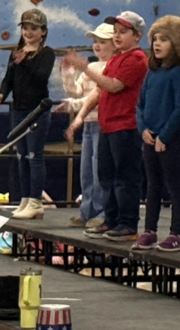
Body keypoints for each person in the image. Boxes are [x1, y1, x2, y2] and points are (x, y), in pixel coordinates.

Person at [65, 11, 149, 242]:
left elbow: (113, 86)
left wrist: (86, 69)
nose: (118, 36)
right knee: (106, 176)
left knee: (125, 177)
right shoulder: (116, 59)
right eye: (116, 32)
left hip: (125, 125)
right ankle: (111, 219)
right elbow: (99, 91)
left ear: (138, 35)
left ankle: (128, 223)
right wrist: (80, 116)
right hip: (108, 125)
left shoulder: (136, 59)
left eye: (124, 32)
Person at [132, 15, 180, 252]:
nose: (157, 44)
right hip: (150, 137)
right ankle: (149, 230)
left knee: (174, 185)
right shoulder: (151, 72)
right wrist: (143, 130)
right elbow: (140, 105)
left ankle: (176, 233)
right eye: (155, 39)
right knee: (152, 186)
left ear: (176, 44)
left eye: (164, 39)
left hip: (168, 138)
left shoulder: (177, 72)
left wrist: (163, 136)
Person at [0, 8, 55, 220]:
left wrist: (24, 59)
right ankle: (25, 198)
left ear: (43, 31)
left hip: (37, 110)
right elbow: (9, 78)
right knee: (21, 156)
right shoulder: (17, 52)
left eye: (33, 28)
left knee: (34, 156)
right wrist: (0, 95)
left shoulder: (46, 53)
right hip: (18, 109)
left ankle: (36, 201)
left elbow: (40, 76)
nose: (28, 32)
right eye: (25, 28)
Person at [58, 23, 116, 229]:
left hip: (103, 124)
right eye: (95, 42)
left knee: (99, 170)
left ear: (114, 44)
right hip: (90, 126)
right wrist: (67, 71)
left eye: (102, 42)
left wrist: (73, 105)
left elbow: (98, 96)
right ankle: (87, 211)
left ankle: (100, 213)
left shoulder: (112, 67)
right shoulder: (91, 67)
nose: (97, 46)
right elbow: (76, 91)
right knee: (86, 171)